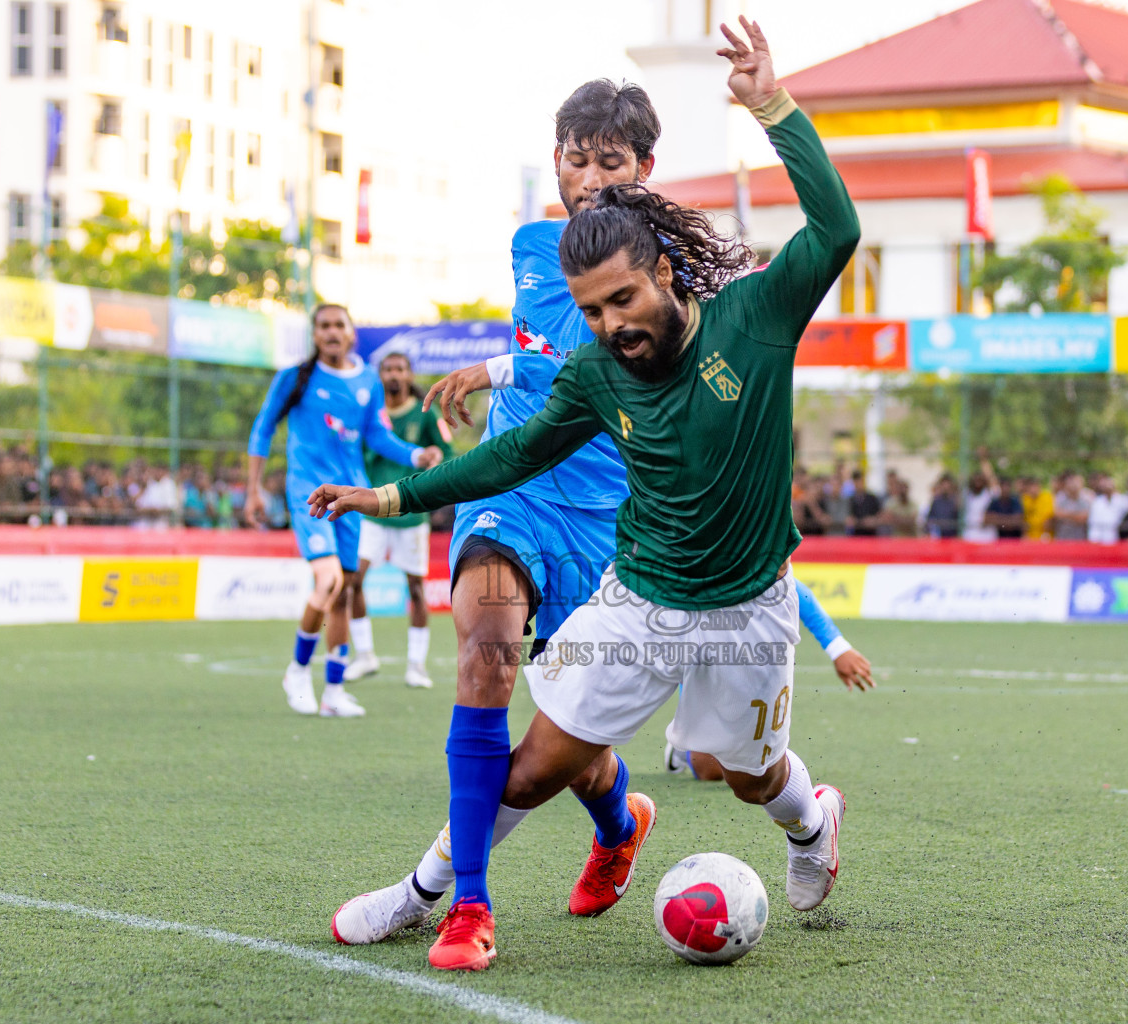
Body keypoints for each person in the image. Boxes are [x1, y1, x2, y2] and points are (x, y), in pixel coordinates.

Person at [318, 18, 859, 971]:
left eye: (620, 303)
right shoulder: (594, 368)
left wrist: (771, 105)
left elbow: (838, 229)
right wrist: (396, 498)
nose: (608, 327)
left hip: (745, 607)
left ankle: (812, 824)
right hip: (639, 599)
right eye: (591, 312)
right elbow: (512, 454)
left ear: (661, 268)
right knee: (527, 769)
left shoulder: (755, 312)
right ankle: (428, 894)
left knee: (747, 777)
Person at [324, 75, 665, 961]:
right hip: (510, 486)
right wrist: (505, 370)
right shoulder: (530, 244)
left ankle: (620, 822)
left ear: (645, 167)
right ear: (556, 161)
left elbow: (615, 369)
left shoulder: (669, 270)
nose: (589, 179)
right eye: (576, 159)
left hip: (603, 517)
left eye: (611, 162)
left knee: (572, 747)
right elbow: (554, 348)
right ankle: (466, 907)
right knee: (485, 665)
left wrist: (499, 368)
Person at [244, 303, 440, 719]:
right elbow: (262, 429)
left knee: (345, 591)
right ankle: (297, 669)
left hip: (350, 497)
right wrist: (253, 490)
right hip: (308, 492)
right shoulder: (295, 378)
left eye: (339, 325)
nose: (331, 332)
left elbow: (377, 436)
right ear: (316, 336)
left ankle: (333, 690)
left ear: (351, 334)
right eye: (324, 326)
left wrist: (416, 454)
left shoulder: (367, 381)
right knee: (329, 579)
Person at [665, 580, 872, 779]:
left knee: (755, 772)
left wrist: (838, 648)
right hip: (704, 666)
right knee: (710, 773)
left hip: (755, 662)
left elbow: (794, 588)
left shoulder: (748, 563)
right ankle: (682, 748)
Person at [345, 350, 454, 687]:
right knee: (353, 582)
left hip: (410, 513)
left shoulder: (425, 414)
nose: (393, 374)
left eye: (400, 369)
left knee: (416, 589)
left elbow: (446, 452)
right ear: (380, 376)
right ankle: (365, 656)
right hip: (372, 512)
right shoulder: (369, 414)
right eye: (388, 369)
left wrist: (436, 457)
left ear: (409, 375)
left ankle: (416, 666)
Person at [1086, 472, 1128, 544]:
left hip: (1117, 538)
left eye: (1109, 483)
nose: (1107, 486)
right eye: (1105, 484)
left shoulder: (1122, 500)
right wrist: (1093, 540)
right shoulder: (1097, 502)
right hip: (1099, 539)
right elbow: (1093, 522)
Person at [1052, 471, 1091, 541]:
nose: (1074, 485)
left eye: (1076, 482)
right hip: (1062, 537)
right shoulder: (1060, 497)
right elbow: (1057, 514)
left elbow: (1084, 517)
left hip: (1080, 537)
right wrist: (1076, 515)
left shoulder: (1086, 498)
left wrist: (1066, 515)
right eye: (1071, 482)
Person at [1020, 475, 1054, 540]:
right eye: (1031, 487)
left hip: (1045, 536)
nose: (1033, 489)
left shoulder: (1047, 497)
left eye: (1035, 486)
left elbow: (1049, 518)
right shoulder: (1024, 499)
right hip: (1029, 536)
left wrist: (1045, 533)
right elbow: (1022, 519)